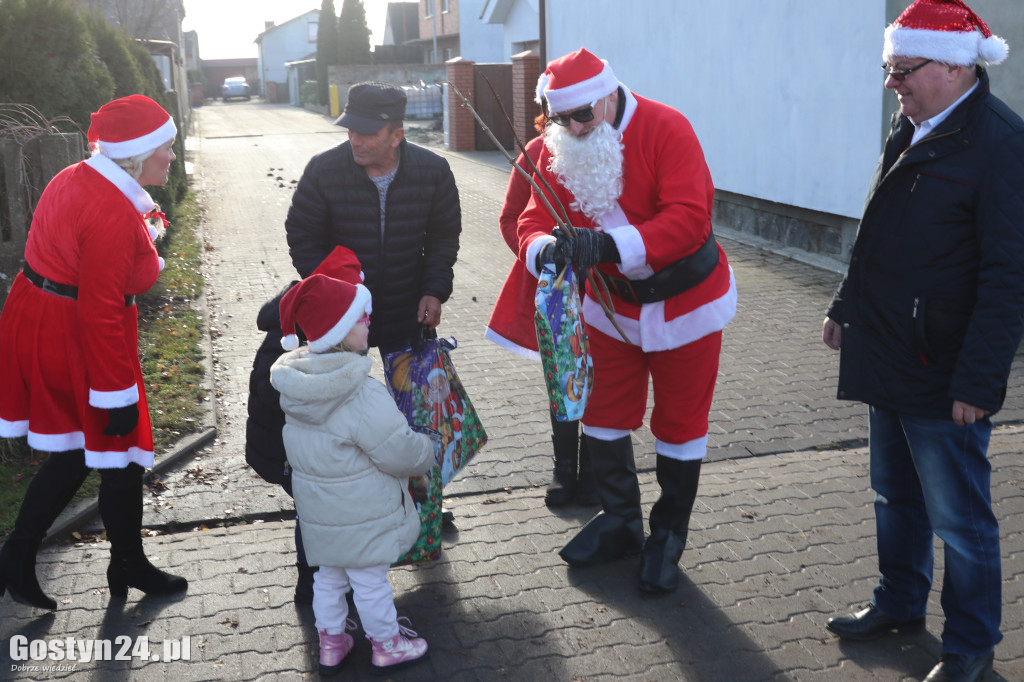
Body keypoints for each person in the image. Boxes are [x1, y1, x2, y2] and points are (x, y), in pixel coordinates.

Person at [820, 3, 1024, 681]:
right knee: (894, 498)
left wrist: (978, 382)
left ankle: (969, 644)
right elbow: (877, 228)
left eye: (903, 71)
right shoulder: (910, 127)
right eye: (888, 69)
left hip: (947, 373)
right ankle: (900, 602)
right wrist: (845, 305)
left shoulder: (1000, 144)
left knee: (961, 521)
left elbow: (1008, 277)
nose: (892, 84)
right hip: (888, 351)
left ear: (955, 66)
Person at [513, 48, 737, 593]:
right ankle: (619, 520)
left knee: (680, 425)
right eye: (560, 118)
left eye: (583, 115)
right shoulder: (557, 145)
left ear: (610, 95)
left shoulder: (667, 127)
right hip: (610, 309)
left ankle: (667, 534)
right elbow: (527, 218)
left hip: (687, 303)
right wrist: (547, 251)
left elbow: (688, 219)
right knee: (604, 414)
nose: (573, 127)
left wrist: (605, 243)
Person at [0, 95, 188, 609]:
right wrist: (116, 393)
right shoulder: (108, 210)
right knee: (95, 448)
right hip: (74, 333)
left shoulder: (80, 176)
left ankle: (122, 561)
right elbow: (101, 307)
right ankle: (25, 555)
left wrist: (141, 236)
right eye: (165, 149)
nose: (172, 157)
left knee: (104, 455)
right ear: (136, 155)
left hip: (47, 319)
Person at [270, 274, 434, 676]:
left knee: (329, 578)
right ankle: (387, 644)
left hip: (322, 517)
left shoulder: (297, 388)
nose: (369, 323)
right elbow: (398, 450)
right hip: (364, 516)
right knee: (371, 582)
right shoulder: (361, 393)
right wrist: (427, 450)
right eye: (362, 317)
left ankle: (331, 643)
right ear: (342, 333)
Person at [285, 81, 461, 354]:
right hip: (341, 316)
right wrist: (332, 291)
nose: (355, 140)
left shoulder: (433, 171)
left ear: (396, 136)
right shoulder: (323, 170)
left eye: (366, 133)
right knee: (344, 392)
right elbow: (302, 236)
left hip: (407, 313)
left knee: (410, 396)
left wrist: (433, 290)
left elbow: (443, 239)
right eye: (351, 129)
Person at [486, 94, 597, 509]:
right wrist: (544, 251)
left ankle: (595, 470)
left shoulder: (615, 150)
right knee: (564, 373)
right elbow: (511, 218)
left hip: (609, 285)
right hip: (559, 287)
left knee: (605, 379)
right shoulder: (535, 152)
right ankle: (564, 468)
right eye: (560, 115)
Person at [244, 245, 365, 605]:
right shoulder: (291, 343)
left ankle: (326, 576)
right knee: (315, 511)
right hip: (285, 452)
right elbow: (271, 392)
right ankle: (311, 579)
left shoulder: (320, 334)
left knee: (319, 509)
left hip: (299, 450)